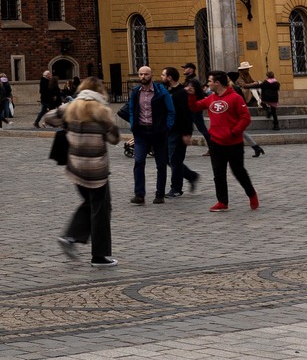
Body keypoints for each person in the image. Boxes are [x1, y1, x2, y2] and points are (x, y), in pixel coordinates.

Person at [46, 80, 122, 266]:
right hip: (96, 169)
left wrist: (67, 125)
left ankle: (70, 237)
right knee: (101, 209)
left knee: (90, 203)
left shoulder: (71, 107)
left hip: (76, 166)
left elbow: (48, 118)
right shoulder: (102, 111)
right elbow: (114, 139)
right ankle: (99, 255)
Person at [194, 71, 258, 211]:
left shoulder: (235, 98)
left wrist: (234, 132)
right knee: (218, 173)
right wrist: (189, 94)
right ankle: (222, 201)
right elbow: (195, 106)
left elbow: (245, 118)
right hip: (216, 142)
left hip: (233, 143)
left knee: (238, 171)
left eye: (210, 81)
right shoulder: (211, 98)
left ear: (217, 83)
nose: (208, 84)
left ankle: (252, 194)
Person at [120, 66, 175, 205]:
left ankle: (159, 194)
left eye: (146, 74)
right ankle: (139, 194)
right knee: (138, 161)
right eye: (141, 74)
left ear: (151, 75)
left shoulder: (161, 91)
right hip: (141, 132)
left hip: (158, 131)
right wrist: (133, 124)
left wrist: (166, 127)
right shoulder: (135, 92)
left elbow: (171, 110)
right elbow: (132, 109)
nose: (143, 76)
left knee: (161, 164)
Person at [162, 67, 203, 197]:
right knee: (168, 159)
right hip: (167, 130)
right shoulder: (166, 91)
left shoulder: (181, 93)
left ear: (169, 77)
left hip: (179, 130)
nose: (161, 77)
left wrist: (186, 133)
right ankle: (192, 176)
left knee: (175, 160)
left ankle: (176, 188)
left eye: (163, 75)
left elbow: (186, 114)